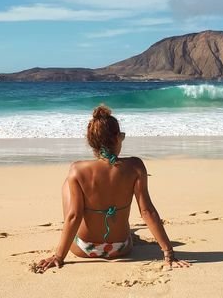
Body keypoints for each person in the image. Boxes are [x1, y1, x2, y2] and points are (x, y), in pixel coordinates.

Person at [34, 105, 190, 273]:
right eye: (122, 136)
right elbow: (147, 212)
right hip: (121, 248)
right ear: (117, 138)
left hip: (84, 249)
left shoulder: (78, 170)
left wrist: (58, 256)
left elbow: (74, 216)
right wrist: (169, 253)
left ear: (91, 142)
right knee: (125, 225)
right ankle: (131, 234)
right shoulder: (136, 166)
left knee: (68, 183)